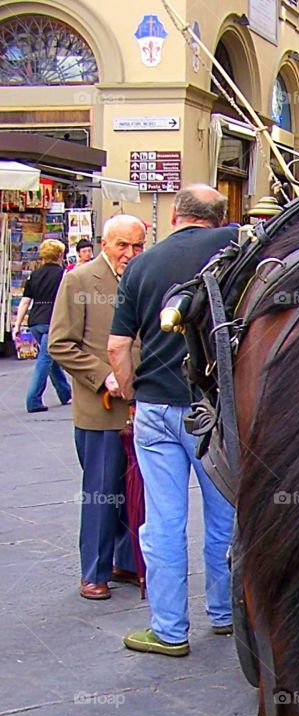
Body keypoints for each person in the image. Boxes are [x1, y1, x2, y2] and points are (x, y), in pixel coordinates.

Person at [108, 185, 237, 657]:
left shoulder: (142, 264)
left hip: (156, 408)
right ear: (219, 216)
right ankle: (225, 613)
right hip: (214, 410)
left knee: (162, 520)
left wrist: (130, 393)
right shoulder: (235, 248)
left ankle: (169, 629)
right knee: (225, 515)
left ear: (175, 214)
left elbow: (118, 346)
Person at [49, 215, 147, 600]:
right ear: (105, 243)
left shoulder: (143, 276)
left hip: (139, 405)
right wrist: (102, 375)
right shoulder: (78, 279)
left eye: (137, 246)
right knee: (101, 493)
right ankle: (94, 571)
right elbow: (60, 343)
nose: (130, 254)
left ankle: (124, 561)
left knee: (132, 491)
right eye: (123, 245)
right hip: (100, 409)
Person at [11, 239, 72, 413]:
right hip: (53, 320)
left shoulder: (34, 275)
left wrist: (17, 325)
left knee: (50, 358)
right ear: (60, 255)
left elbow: (25, 302)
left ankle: (65, 392)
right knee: (44, 360)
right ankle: (33, 399)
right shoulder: (63, 274)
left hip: (35, 321)